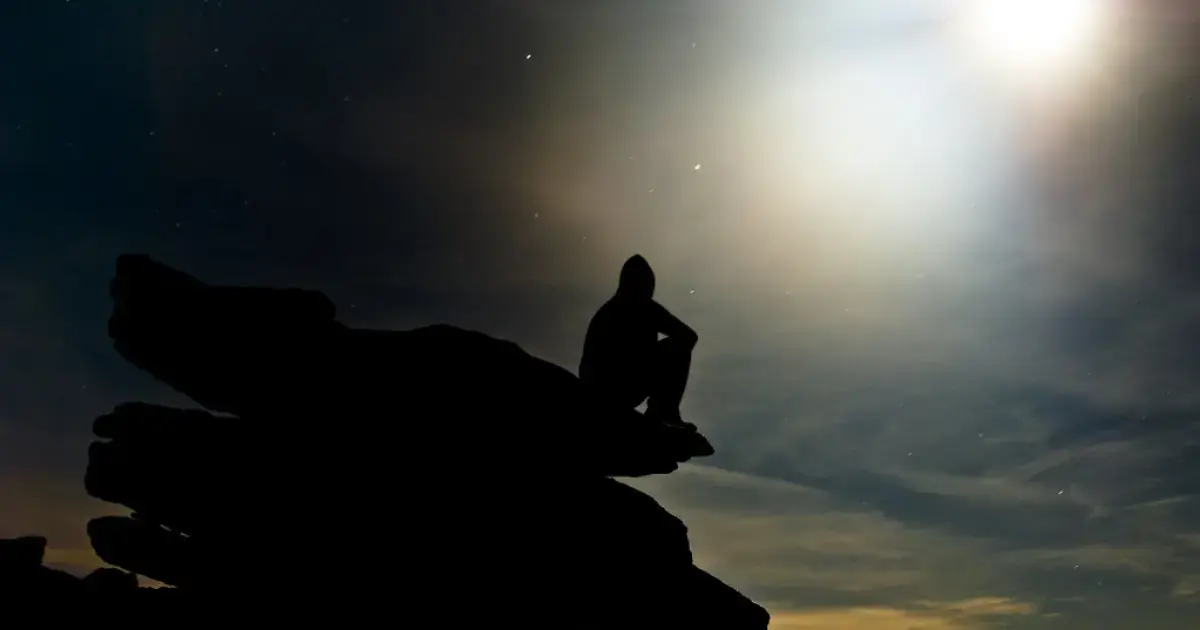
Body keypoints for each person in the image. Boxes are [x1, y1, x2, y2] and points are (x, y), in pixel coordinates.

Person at [579, 255, 697, 427]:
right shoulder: (608, 315)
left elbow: (688, 337)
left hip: (637, 381)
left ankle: (664, 411)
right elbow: (588, 364)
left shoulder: (650, 310)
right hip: (607, 386)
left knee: (678, 348)